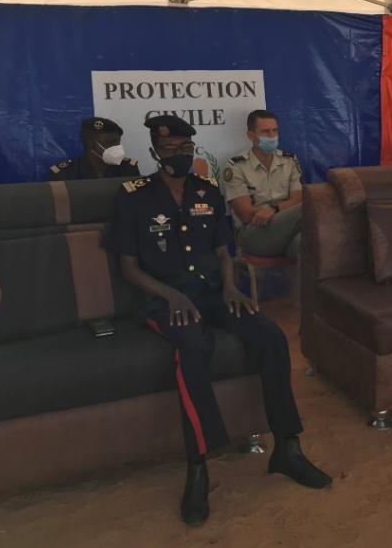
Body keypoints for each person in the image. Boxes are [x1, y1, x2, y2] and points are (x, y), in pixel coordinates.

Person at [104, 114, 330, 526]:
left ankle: (288, 447)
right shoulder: (133, 196)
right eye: (170, 150)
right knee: (193, 346)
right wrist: (171, 294)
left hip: (212, 293)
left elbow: (225, 251)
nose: (179, 156)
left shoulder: (206, 190)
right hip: (164, 301)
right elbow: (129, 267)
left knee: (271, 337)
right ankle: (199, 467)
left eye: (186, 149)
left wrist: (230, 287)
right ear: (155, 151)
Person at [223, 110, 302, 260]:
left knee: (307, 243)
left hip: (286, 231)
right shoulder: (236, 166)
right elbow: (246, 214)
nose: (272, 136)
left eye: (275, 130)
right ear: (251, 135)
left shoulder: (289, 161)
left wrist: (273, 209)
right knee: (311, 207)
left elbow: (298, 198)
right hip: (254, 234)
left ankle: (300, 284)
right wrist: (283, 210)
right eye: (266, 132)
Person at [48, 116, 140, 180]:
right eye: (110, 142)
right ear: (91, 144)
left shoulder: (128, 170)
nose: (117, 147)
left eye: (118, 142)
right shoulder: (65, 173)